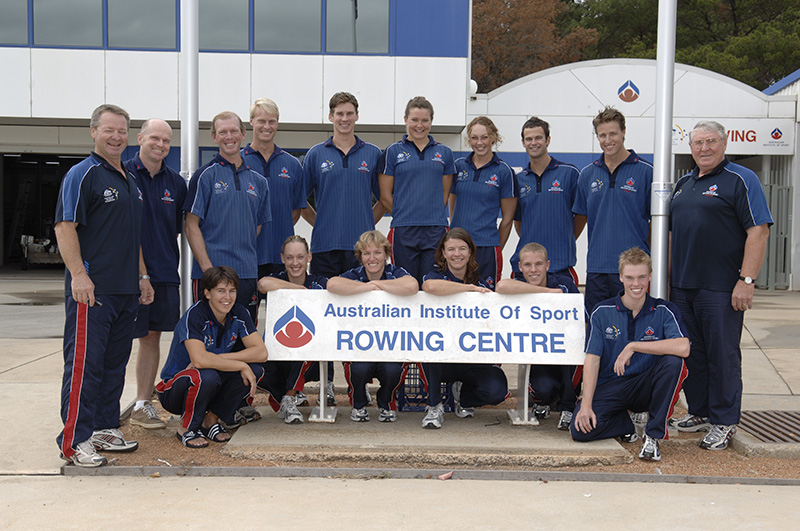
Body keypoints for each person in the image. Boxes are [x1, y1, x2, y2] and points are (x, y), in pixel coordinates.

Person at [54, 104, 154, 467]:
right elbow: (65, 227)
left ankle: (104, 428)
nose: (116, 137)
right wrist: (79, 275)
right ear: (93, 132)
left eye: (121, 131)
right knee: (85, 366)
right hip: (92, 293)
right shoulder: (84, 175)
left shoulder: (128, 177)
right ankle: (75, 440)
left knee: (114, 365)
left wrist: (142, 276)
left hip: (126, 290)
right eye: (109, 130)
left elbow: (132, 234)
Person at [669, 121, 773, 451]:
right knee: (693, 353)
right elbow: (672, 235)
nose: (704, 148)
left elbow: (759, 231)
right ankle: (700, 411)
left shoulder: (741, 179)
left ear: (724, 143)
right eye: (698, 142)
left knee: (722, 355)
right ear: (690, 147)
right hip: (682, 287)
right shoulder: (683, 184)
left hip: (721, 288)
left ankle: (725, 420)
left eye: (711, 141)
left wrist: (746, 280)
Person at [570, 248, 689, 462]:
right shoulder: (602, 311)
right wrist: (586, 404)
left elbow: (684, 347)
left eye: (642, 277)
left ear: (650, 276)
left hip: (645, 384)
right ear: (621, 278)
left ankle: (652, 435)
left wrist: (634, 346)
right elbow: (592, 359)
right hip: (612, 385)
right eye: (630, 277)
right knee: (579, 431)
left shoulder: (664, 310)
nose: (636, 284)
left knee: (674, 362)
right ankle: (625, 423)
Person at [302, 92, 384, 401]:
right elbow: (302, 202)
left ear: (357, 116)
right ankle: (326, 384)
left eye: (349, 113)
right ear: (331, 117)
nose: (344, 118)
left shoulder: (373, 154)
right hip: (324, 249)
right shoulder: (315, 155)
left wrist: (365, 227)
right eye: (339, 113)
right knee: (325, 318)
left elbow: (383, 199)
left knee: (358, 318)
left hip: (361, 255)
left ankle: (357, 385)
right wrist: (321, 223)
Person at [157, 266, 268, 448]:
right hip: (175, 389)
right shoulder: (195, 315)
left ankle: (210, 420)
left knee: (255, 369)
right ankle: (186, 428)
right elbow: (199, 360)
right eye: (221, 291)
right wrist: (240, 364)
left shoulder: (238, 313)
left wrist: (230, 361)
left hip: (211, 380)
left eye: (232, 291)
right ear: (207, 293)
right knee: (205, 375)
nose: (227, 297)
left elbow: (261, 353)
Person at [124, 118, 186, 430]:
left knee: (151, 338)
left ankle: (141, 403)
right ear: (140, 138)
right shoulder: (121, 174)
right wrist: (140, 274)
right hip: (124, 276)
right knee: (120, 338)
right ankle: (106, 404)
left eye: (166, 140)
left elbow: (176, 228)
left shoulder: (176, 183)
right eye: (154, 138)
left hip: (164, 273)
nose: (160, 145)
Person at [184, 111, 270, 324]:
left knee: (245, 336)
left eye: (233, 131)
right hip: (212, 276)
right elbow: (190, 225)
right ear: (214, 137)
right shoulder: (205, 175)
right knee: (209, 338)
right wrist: (209, 271)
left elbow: (256, 227)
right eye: (223, 132)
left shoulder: (259, 181)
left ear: (243, 134)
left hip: (247, 275)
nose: (229, 136)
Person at [419, 228, 510, 429]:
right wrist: (469, 289)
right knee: (430, 347)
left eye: (462, 248)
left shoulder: (483, 280)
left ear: (470, 251)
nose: (457, 254)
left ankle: (465, 398)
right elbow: (430, 288)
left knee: (497, 391)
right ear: (443, 253)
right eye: (451, 249)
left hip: (473, 357)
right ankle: (434, 407)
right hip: (444, 358)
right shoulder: (436, 275)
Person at [327, 230, 418, 422]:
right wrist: (369, 287)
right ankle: (358, 404)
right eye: (366, 253)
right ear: (360, 257)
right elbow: (332, 284)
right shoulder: (355, 274)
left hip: (390, 345)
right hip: (361, 346)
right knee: (357, 368)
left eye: (377, 252)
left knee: (395, 370)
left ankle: (385, 403)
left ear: (386, 255)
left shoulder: (395, 272)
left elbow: (412, 286)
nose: (372, 258)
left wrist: (379, 285)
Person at [573, 107, 652, 314]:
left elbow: (656, 223)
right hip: (597, 269)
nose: (608, 140)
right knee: (598, 328)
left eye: (613, 133)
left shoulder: (646, 172)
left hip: (633, 271)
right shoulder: (587, 174)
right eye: (602, 135)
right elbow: (580, 217)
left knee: (633, 327)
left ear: (624, 132)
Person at [496, 242, 583, 430]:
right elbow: (501, 286)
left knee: (576, 349)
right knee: (543, 389)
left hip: (564, 353)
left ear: (548, 265)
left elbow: (580, 318)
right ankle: (542, 402)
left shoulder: (564, 284)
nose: (533, 270)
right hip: (538, 357)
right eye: (527, 265)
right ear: (520, 267)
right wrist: (547, 293)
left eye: (539, 264)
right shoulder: (519, 285)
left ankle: (568, 407)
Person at [380, 96, 455, 285]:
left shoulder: (444, 153)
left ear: (431, 121)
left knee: (432, 284)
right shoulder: (392, 151)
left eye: (425, 120)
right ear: (405, 119)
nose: (419, 125)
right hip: (403, 230)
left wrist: (430, 214)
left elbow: (444, 194)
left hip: (435, 229)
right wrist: (403, 215)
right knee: (406, 284)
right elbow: (385, 195)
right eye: (414, 120)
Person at [256, 236, 327, 424]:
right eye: (289, 258)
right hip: (276, 354)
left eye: (300, 257)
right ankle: (286, 398)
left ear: (309, 257)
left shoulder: (318, 282)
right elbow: (262, 284)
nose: (295, 263)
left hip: (308, 357)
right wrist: (297, 289)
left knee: (303, 346)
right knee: (256, 367)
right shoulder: (277, 280)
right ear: (282, 258)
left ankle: (289, 398)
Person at [242, 98, 306, 283]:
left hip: (282, 256)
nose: (266, 126)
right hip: (247, 255)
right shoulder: (237, 162)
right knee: (246, 311)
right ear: (251, 121)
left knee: (280, 312)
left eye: (272, 121)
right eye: (261, 120)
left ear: (277, 123)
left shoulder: (292, 164)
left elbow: (294, 211)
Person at [510, 117, 581, 283]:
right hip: (527, 269)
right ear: (523, 142)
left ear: (548, 140)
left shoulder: (569, 174)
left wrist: (565, 237)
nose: (533, 143)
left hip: (560, 266)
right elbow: (518, 222)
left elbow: (581, 216)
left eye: (538, 138)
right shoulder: (518, 179)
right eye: (529, 139)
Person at [449, 116, 516, 288]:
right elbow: (452, 206)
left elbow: (507, 219)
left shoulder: (504, 171)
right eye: (474, 138)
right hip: (458, 248)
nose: (479, 143)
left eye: (484, 137)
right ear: (469, 140)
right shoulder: (458, 166)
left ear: (493, 137)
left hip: (487, 249)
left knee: (486, 299)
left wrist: (495, 246)